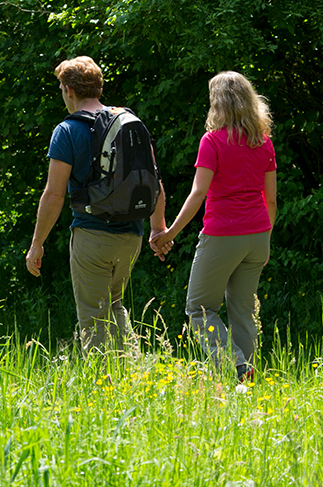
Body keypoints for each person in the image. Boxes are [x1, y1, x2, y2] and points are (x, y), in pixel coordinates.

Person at [25, 56, 167, 353]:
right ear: (98, 87)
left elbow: (54, 194)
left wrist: (37, 243)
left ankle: (104, 386)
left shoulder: (66, 131)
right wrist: (158, 229)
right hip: (132, 236)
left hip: (92, 235)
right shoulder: (128, 122)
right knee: (115, 306)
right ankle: (135, 373)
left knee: (93, 317)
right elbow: (154, 181)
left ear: (69, 90)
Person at [151, 71, 276, 382]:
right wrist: (266, 240)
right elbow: (271, 200)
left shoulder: (213, 141)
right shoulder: (264, 143)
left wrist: (169, 234)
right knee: (243, 310)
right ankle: (247, 377)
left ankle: (235, 368)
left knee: (199, 308)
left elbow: (198, 192)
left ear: (218, 104)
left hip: (224, 235)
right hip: (258, 235)